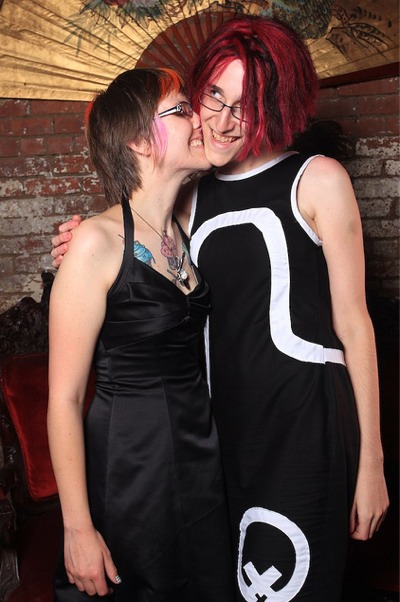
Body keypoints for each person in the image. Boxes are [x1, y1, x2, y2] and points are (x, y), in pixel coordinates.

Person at [51, 17, 389, 601]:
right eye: (212, 96)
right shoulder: (189, 196)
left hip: (302, 428)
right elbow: (135, 241)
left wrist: (372, 462)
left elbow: (355, 324)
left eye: (248, 105)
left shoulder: (318, 179)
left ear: (275, 107)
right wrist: (81, 238)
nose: (225, 120)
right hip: (214, 441)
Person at [47, 67, 236, 601]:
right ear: (138, 139)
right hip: (131, 468)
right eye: (182, 110)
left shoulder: (187, 228)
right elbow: (63, 399)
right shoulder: (94, 242)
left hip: (200, 458)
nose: (199, 119)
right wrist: (77, 528)